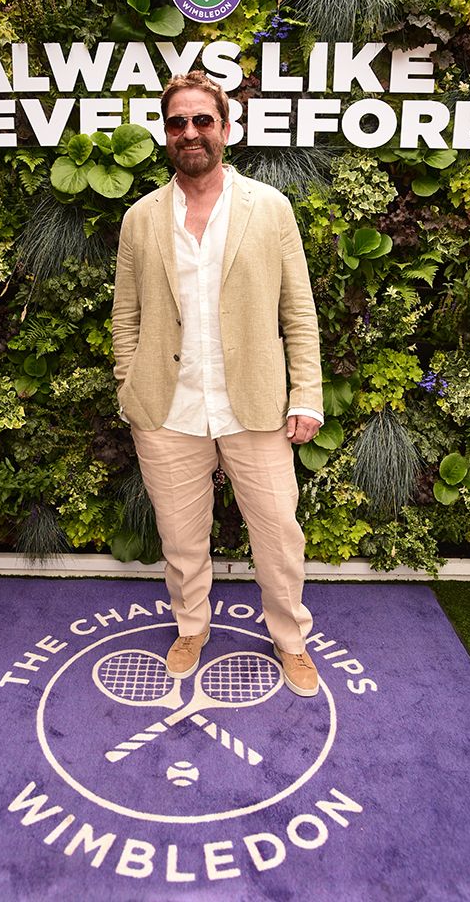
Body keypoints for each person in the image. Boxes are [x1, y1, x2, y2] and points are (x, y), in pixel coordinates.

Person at [112, 70, 324, 697]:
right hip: (166, 410)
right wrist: (130, 386)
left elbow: (299, 310)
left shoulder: (270, 208)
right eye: (177, 122)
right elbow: (125, 315)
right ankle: (191, 627)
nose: (190, 132)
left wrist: (306, 393)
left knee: (279, 535)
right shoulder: (140, 219)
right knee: (180, 539)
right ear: (166, 133)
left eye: (202, 120)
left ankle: (291, 640)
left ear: (226, 129)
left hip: (256, 405)